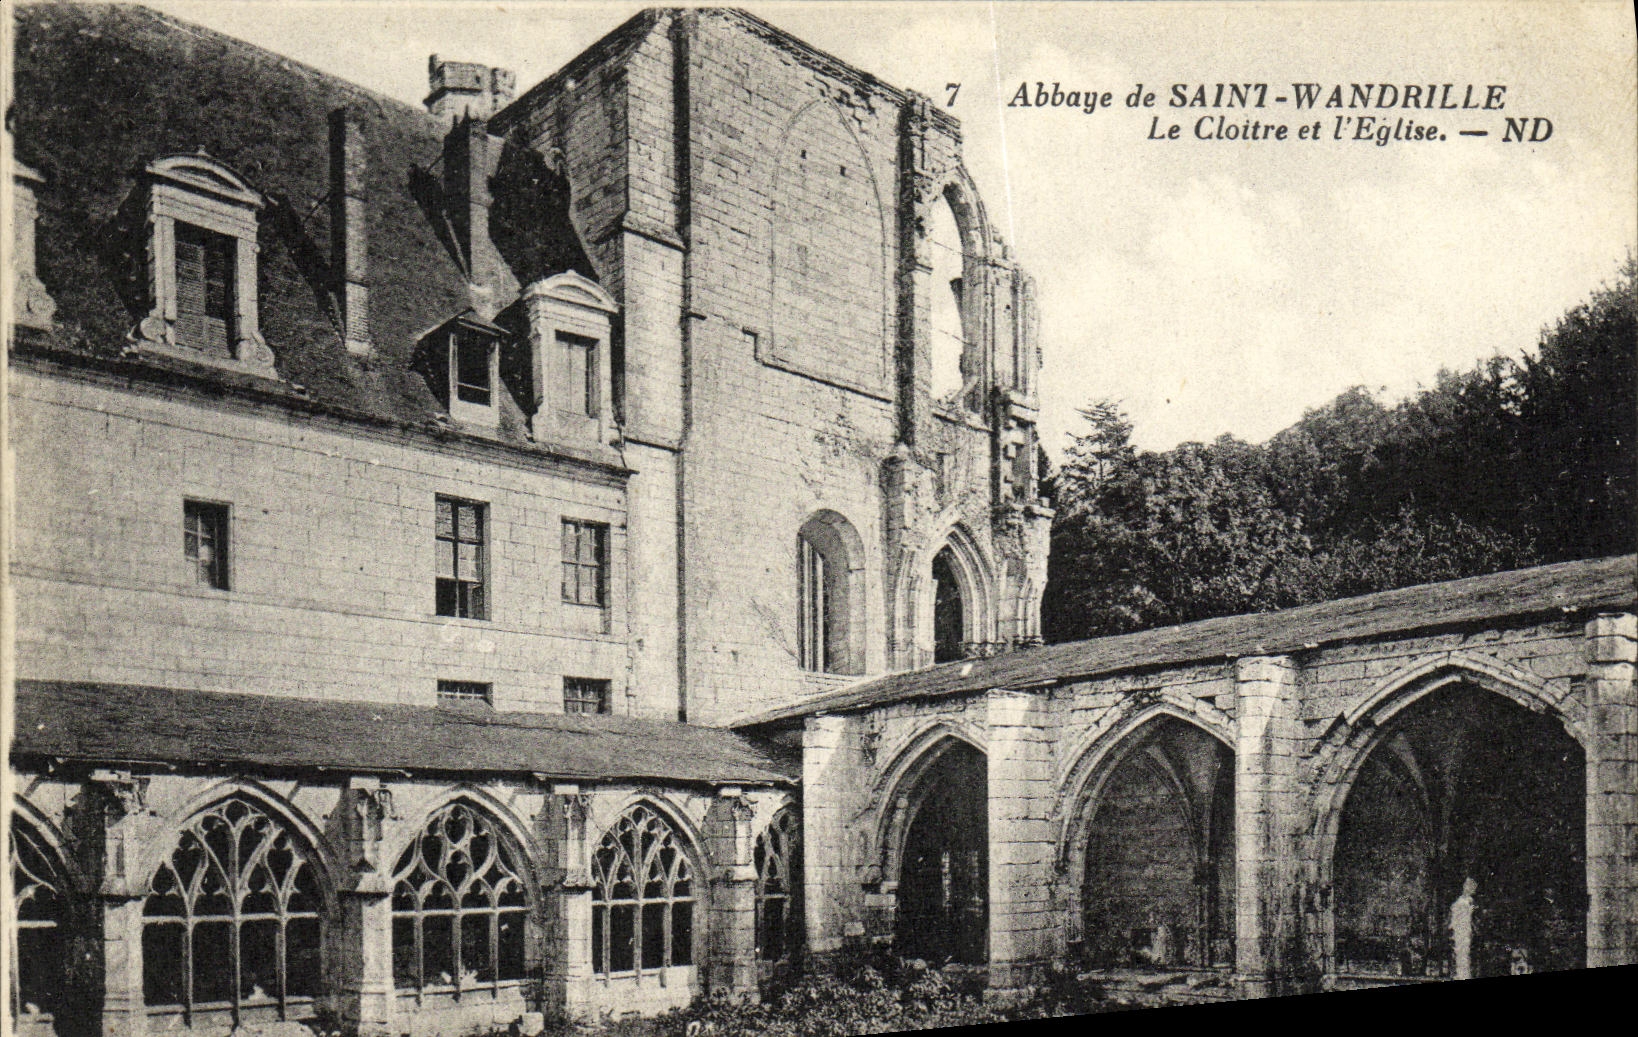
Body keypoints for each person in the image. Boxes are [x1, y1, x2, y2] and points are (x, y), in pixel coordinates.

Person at [1449, 877, 1477, 980]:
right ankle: (1461, 974)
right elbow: (1456, 918)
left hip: (1465, 929)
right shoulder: (1461, 902)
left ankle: (1463, 973)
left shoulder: (1469, 901)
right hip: (1461, 930)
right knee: (1461, 952)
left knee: (1464, 952)